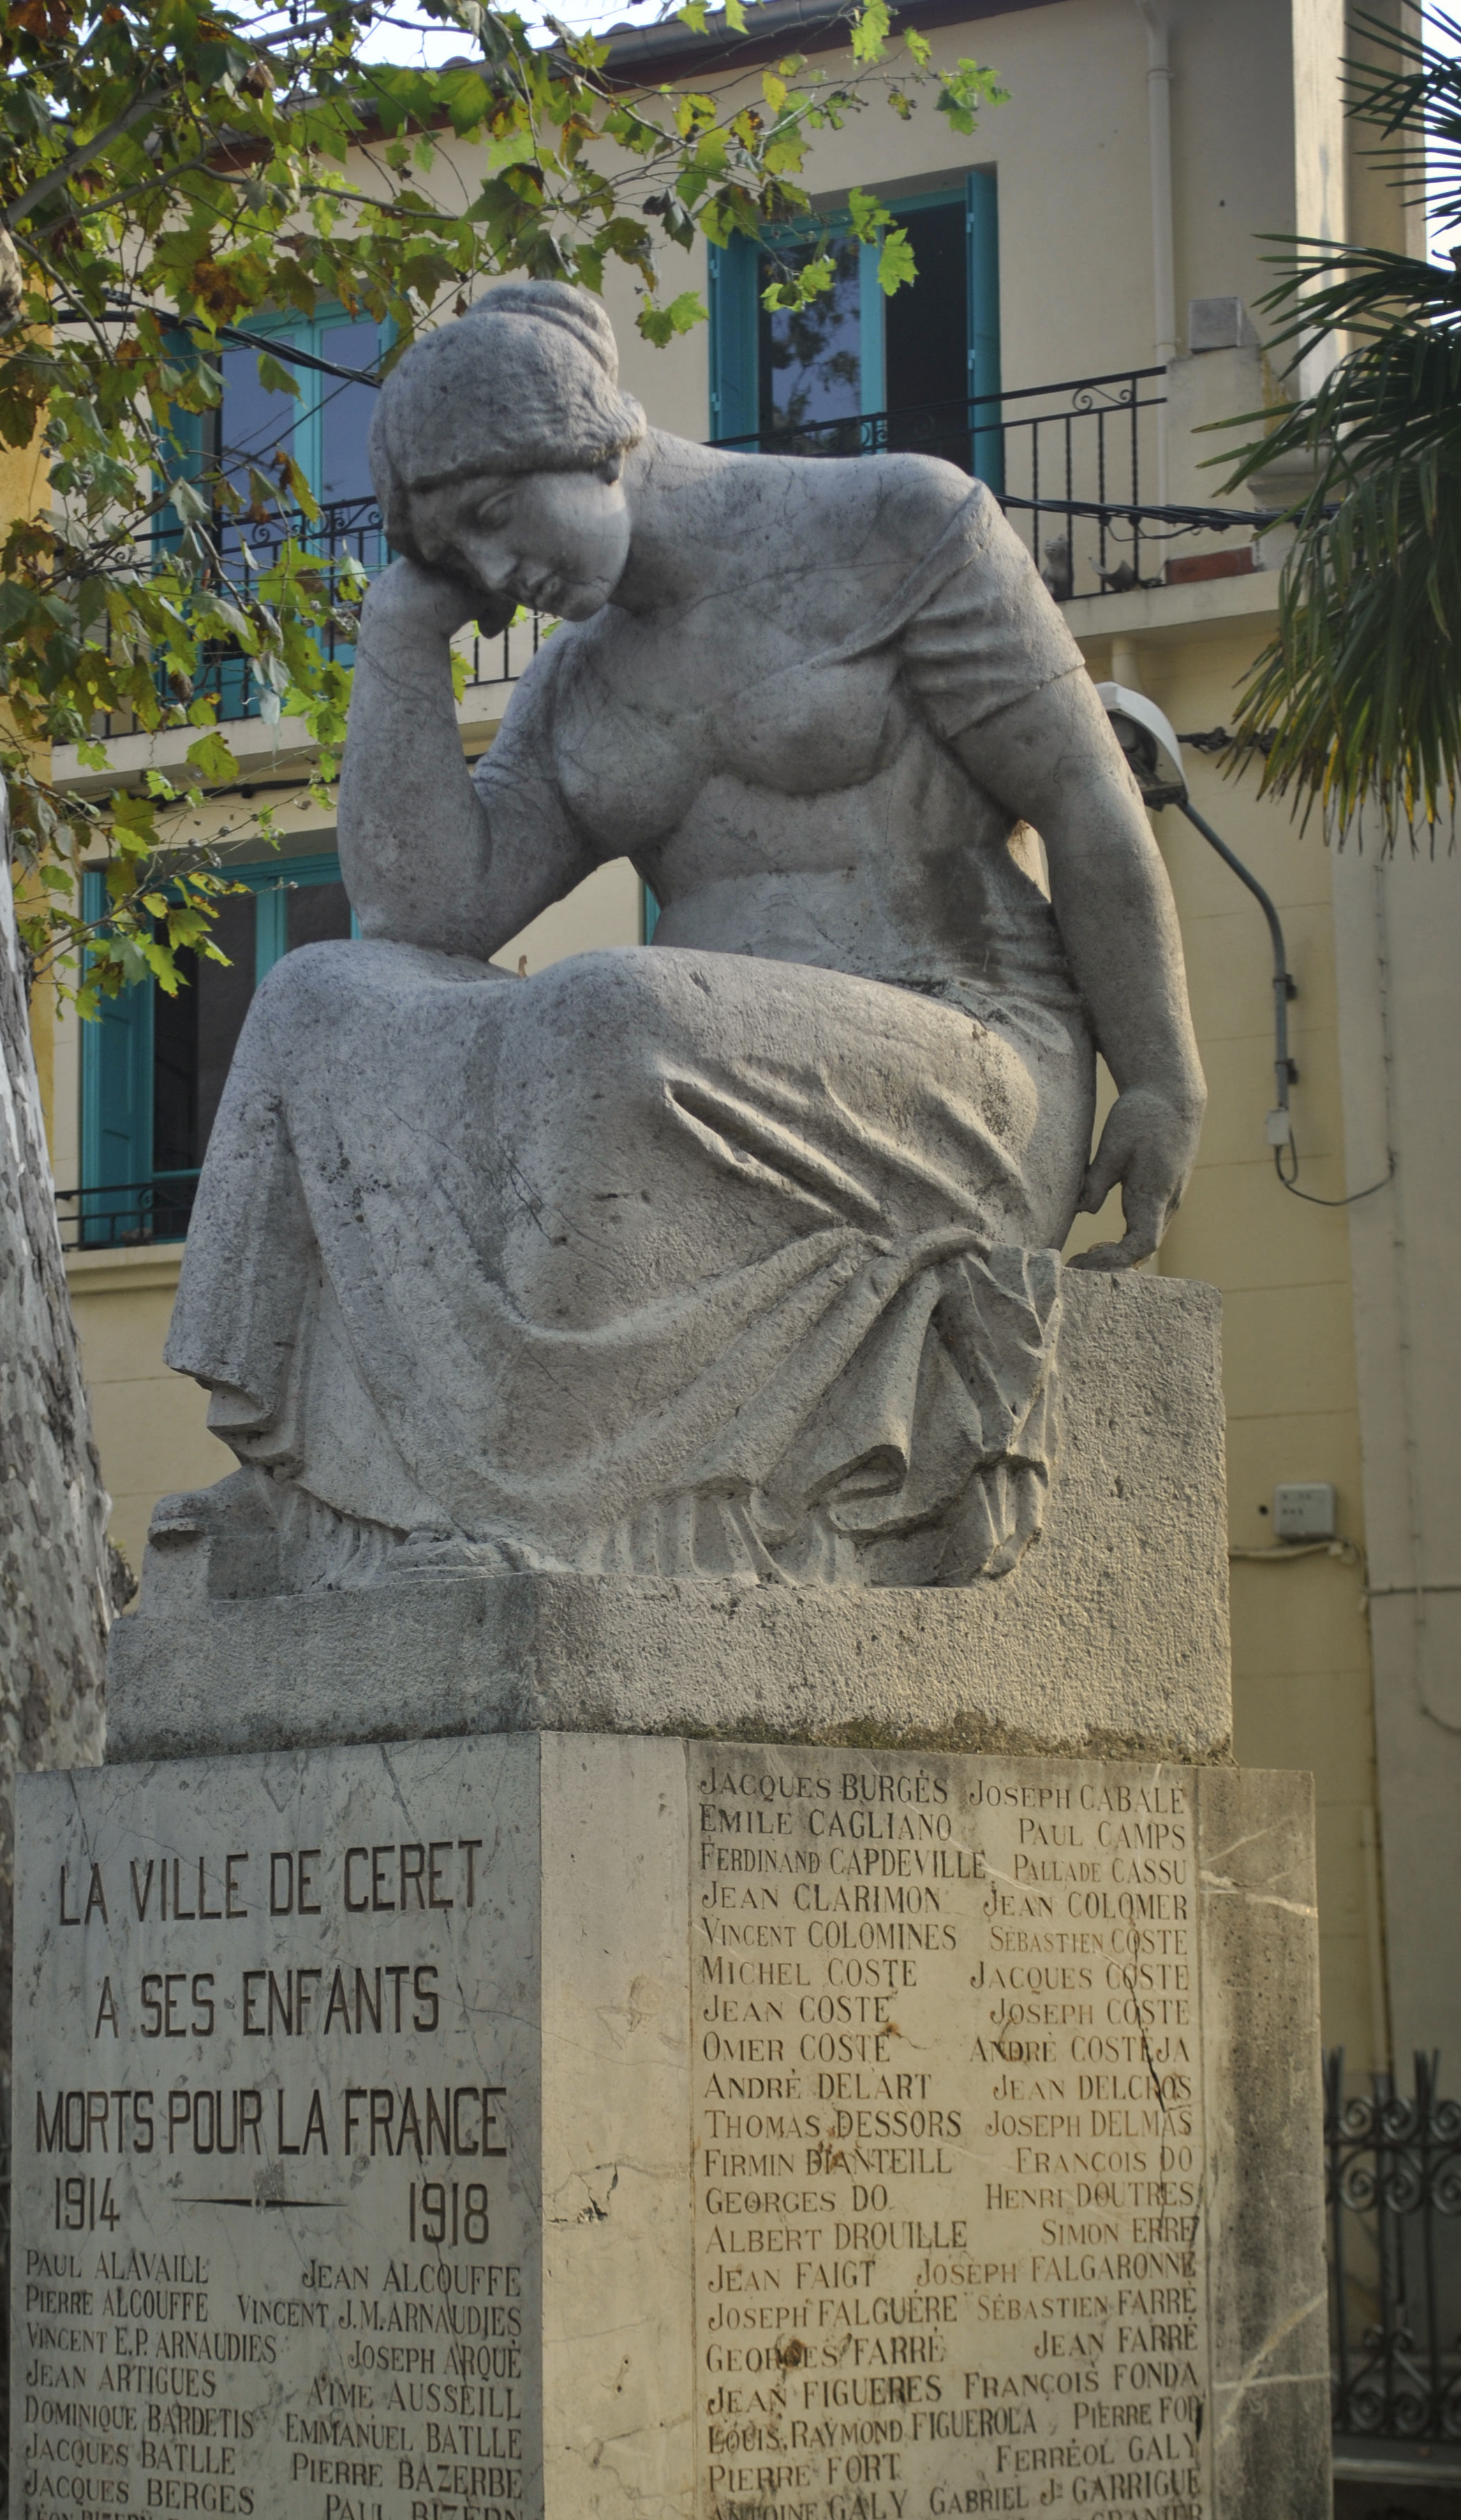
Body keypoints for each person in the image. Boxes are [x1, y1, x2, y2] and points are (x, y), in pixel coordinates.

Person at [164, 282, 1204, 1590]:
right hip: (698, 1066)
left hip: (966, 1063)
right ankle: (316, 1488)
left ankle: (527, 1502)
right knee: (320, 995)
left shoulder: (902, 526)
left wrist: (1162, 1077)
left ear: (593, 436)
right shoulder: (581, 680)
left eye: (492, 518)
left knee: (609, 1012)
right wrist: (399, 635)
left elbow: (1089, 809)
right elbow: (423, 918)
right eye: (457, 558)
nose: (494, 576)